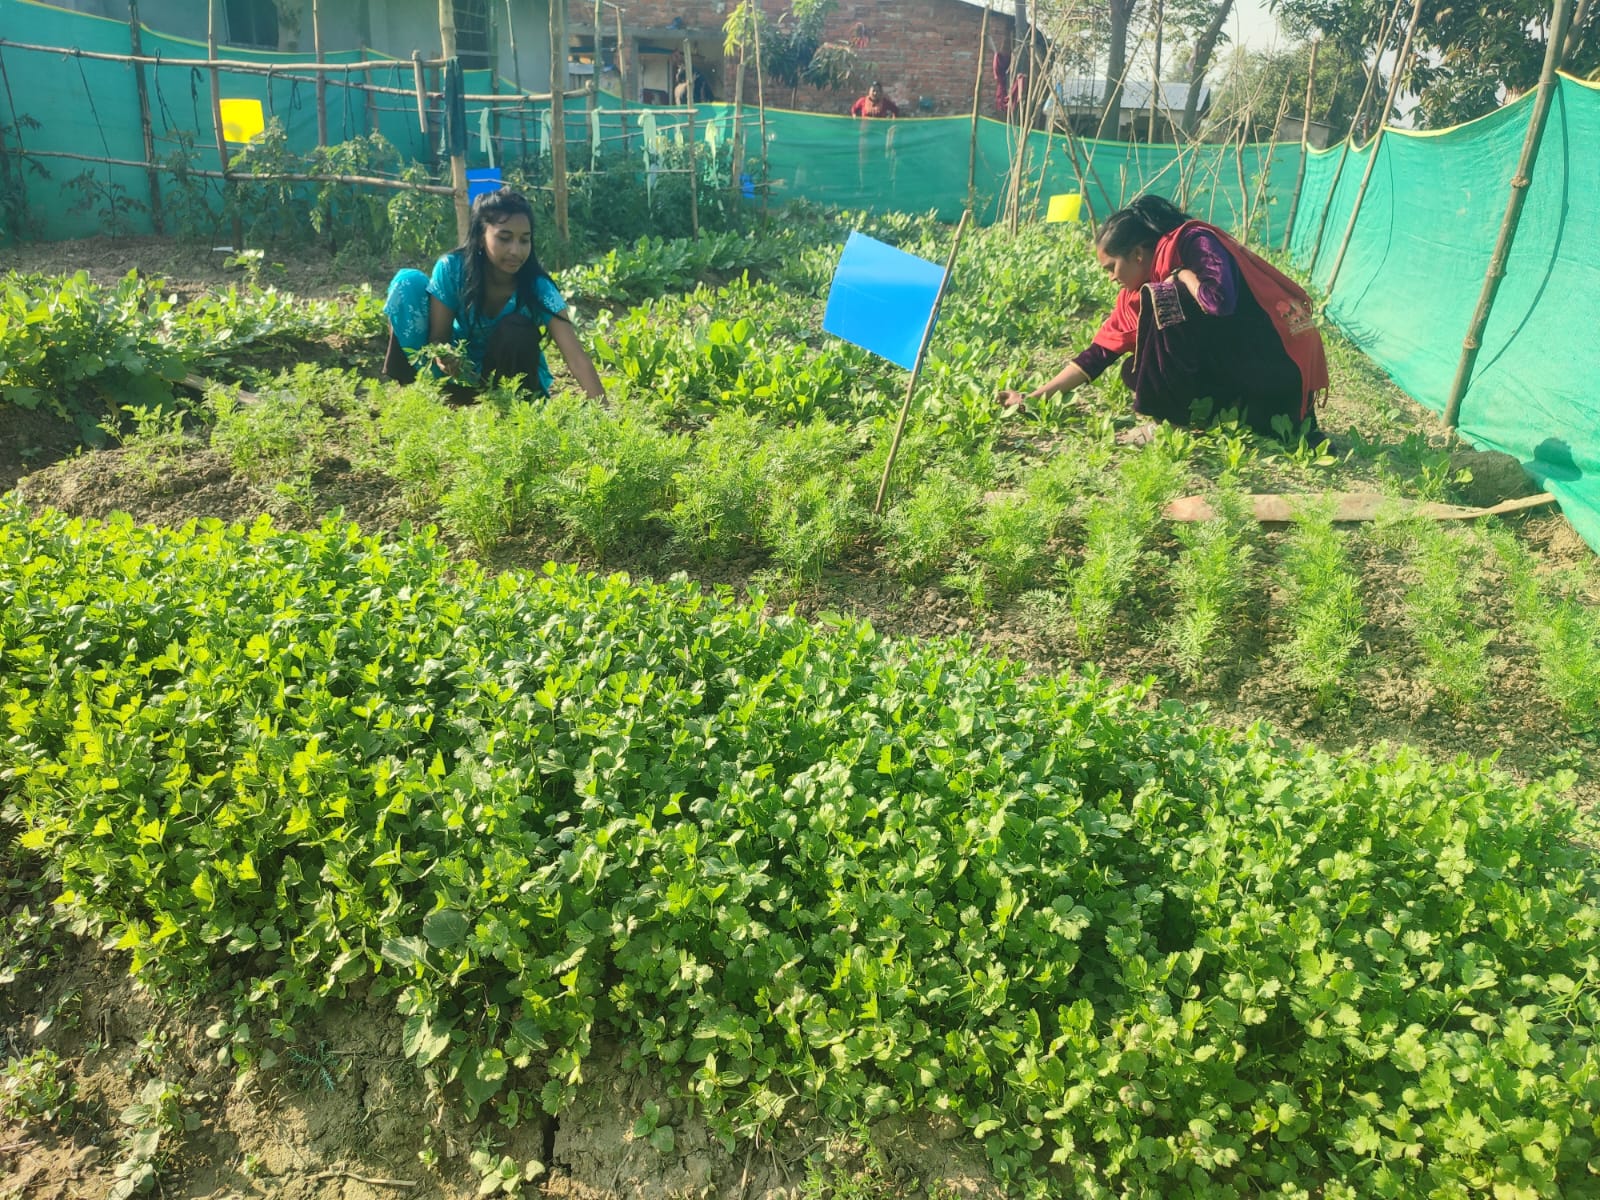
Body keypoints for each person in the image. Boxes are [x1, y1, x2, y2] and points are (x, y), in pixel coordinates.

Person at [999, 194, 1327, 442]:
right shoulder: (1138, 290)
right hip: (1246, 367)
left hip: (1279, 364)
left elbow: (1220, 303)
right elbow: (1098, 354)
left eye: (1111, 268)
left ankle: (1170, 425)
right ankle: (1215, 414)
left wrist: (1183, 274)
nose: (1111, 278)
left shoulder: (1194, 242)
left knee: (1165, 297)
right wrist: (1034, 397)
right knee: (1136, 366)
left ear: (1138, 255)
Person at [382, 187, 604, 400]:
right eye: (504, 238)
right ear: (480, 236)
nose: (515, 251)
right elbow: (438, 338)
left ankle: (509, 412)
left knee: (517, 330)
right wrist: (445, 355)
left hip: (511, 381)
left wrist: (605, 420)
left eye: (524, 240)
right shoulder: (452, 269)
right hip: (456, 371)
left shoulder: (538, 287)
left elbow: (576, 357)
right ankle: (418, 395)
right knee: (407, 282)